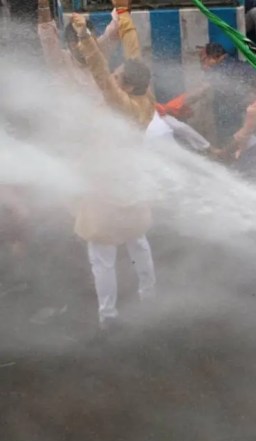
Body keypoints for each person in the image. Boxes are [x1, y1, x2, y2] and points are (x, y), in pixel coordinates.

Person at [70, 2, 162, 332]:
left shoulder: (120, 103)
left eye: (119, 76)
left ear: (127, 87)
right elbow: (133, 51)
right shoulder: (145, 97)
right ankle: (148, 296)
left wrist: (83, 35)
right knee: (137, 242)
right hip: (131, 184)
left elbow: (97, 71)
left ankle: (108, 316)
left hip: (106, 187)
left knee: (102, 255)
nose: (114, 75)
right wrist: (123, 15)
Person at [36, 0, 119, 97]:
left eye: (87, 40)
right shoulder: (59, 60)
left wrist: (122, 4)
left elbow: (116, 27)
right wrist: (43, 4)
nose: (83, 46)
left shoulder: (100, 50)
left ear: (95, 38)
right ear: (68, 45)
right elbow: (46, 33)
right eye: (77, 42)